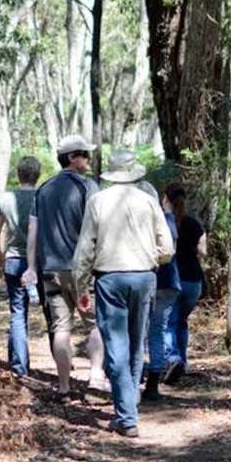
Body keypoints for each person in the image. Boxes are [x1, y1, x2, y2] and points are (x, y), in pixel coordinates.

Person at [73, 151, 174, 437]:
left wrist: (80, 285)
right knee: (135, 342)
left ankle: (126, 416)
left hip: (110, 279)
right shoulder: (148, 201)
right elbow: (167, 248)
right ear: (134, 172)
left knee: (116, 344)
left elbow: (84, 250)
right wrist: (150, 259)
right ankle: (130, 406)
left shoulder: (97, 201)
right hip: (144, 277)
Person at [22, 135, 105, 399]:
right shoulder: (88, 187)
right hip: (82, 272)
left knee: (61, 328)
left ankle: (64, 387)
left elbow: (32, 231)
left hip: (50, 271)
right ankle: (95, 376)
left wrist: (31, 267)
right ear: (72, 158)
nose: (89, 159)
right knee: (95, 324)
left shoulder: (43, 189)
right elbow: (99, 227)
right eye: (85, 154)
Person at [0, 156, 42, 377]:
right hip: (39, 263)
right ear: (37, 175)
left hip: (12, 259)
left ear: (18, 174)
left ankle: (19, 366)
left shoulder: (6, 198)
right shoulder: (42, 196)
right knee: (52, 314)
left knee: (17, 312)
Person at [164, 183, 207, 384]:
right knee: (181, 321)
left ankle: (173, 359)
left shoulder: (164, 224)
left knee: (169, 322)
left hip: (172, 278)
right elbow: (204, 251)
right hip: (194, 280)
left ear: (166, 199)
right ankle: (182, 361)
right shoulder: (195, 224)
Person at [143, 188, 181, 402]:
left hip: (151, 280)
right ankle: (152, 383)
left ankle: (139, 375)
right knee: (157, 330)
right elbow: (170, 249)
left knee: (140, 331)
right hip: (169, 282)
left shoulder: (144, 220)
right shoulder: (167, 218)